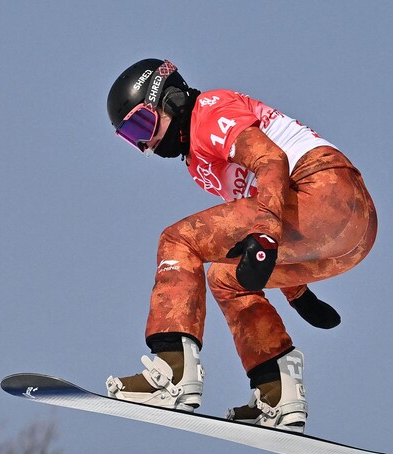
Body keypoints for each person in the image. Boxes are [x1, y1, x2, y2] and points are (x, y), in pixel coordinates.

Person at [105, 58, 377, 432]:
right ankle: (276, 390)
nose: (145, 142)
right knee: (226, 277)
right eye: (130, 138)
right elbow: (260, 220)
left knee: (178, 240)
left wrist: (265, 235)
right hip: (354, 235)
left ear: (171, 101)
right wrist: (298, 294)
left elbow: (271, 161)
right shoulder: (199, 163)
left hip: (323, 189)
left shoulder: (208, 112)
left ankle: (171, 371)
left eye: (141, 124)